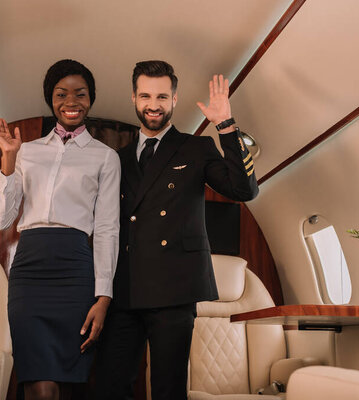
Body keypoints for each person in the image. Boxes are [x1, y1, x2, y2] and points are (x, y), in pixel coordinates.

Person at [93, 60, 258, 400]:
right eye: (145, 96)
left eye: (162, 96)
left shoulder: (196, 148)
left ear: (175, 99)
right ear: (134, 98)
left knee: (169, 390)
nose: (153, 105)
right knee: (111, 386)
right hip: (125, 288)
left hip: (175, 288)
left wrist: (225, 125)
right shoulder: (116, 159)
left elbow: (244, 191)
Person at [0, 59, 120, 400]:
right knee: (38, 382)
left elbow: (107, 228)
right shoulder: (26, 152)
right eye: (62, 94)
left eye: (80, 93)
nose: (71, 101)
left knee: (64, 384)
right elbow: (1, 220)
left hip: (75, 271)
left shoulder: (105, 157)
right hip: (29, 271)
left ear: (91, 99)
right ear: (51, 99)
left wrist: (103, 297)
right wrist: (7, 160)